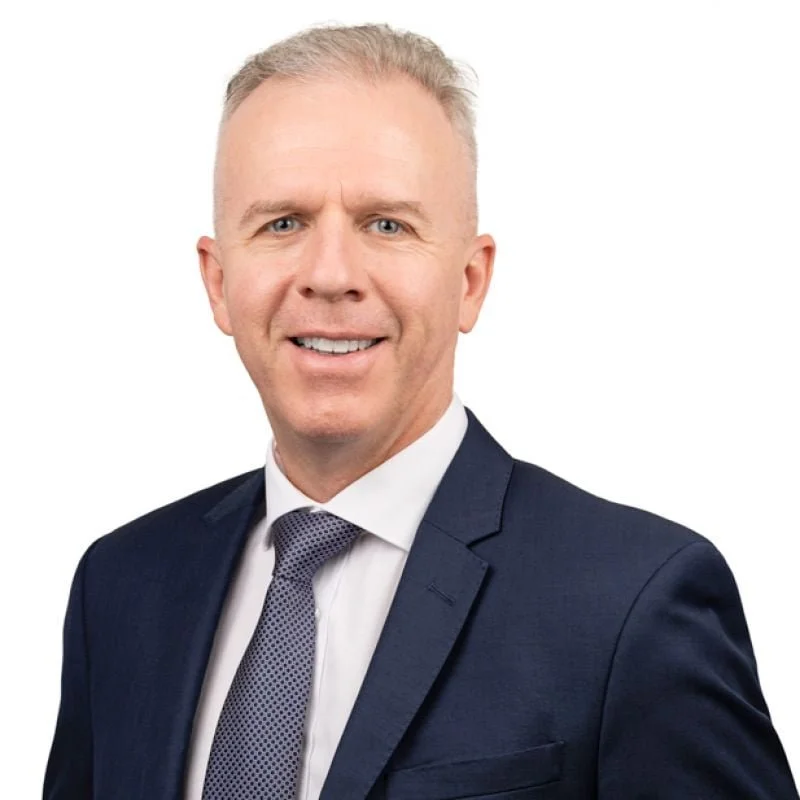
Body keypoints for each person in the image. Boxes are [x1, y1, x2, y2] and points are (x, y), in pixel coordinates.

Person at [43, 22, 798, 800]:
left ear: (470, 281)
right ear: (217, 282)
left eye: (387, 224)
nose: (331, 274)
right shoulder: (121, 588)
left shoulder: (631, 605)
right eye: (283, 223)